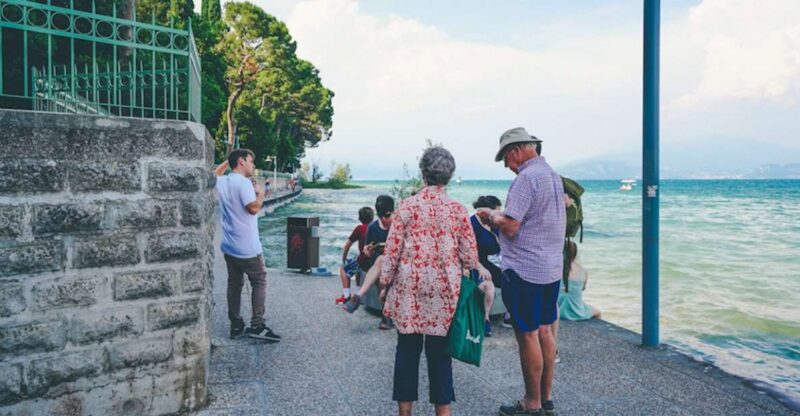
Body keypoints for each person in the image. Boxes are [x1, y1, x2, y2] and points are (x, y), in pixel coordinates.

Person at [380, 146, 492, 416]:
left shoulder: (406, 207)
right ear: (449, 176)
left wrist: (384, 283)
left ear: (423, 173)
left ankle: (404, 412)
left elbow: (392, 251)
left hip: (410, 290)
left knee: (406, 351)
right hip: (444, 293)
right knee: (440, 355)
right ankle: (442, 412)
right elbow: (469, 257)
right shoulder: (457, 210)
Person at [476, 127, 565, 416]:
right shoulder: (551, 174)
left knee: (527, 335)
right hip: (551, 268)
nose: (506, 165)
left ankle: (532, 401)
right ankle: (547, 397)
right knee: (545, 331)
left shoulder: (526, 179)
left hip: (525, 269)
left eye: (505, 158)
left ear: (516, 151)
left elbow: (512, 226)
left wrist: (491, 216)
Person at [214, 150, 281, 342]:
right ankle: (257, 325)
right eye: (251, 161)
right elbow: (252, 209)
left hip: (229, 245)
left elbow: (214, 175)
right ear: (241, 162)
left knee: (234, 284)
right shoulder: (243, 183)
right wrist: (260, 195)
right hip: (247, 247)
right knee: (259, 281)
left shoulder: (225, 181)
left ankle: (236, 325)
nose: (253, 165)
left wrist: (227, 160)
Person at [343, 195, 395, 330]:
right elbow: (370, 253)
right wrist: (368, 252)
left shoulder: (399, 225)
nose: (384, 219)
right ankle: (385, 318)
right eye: (381, 216)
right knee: (380, 263)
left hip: (398, 264)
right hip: (381, 266)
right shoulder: (372, 228)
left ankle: (359, 295)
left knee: (381, 259)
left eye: (387, 215)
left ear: (393, 211)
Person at [470, 195, 508, 336]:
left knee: (516, 278)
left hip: (497, 263)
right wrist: (480, 266)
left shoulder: (495, 223)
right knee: (488, 286)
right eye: (496, 211)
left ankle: (510, 316)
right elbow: (467, 250)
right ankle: (485, 319)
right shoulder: (472, 224)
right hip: (477, 263)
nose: (498, 214)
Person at [335, 206, 375, 304]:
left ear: (360, 218)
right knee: (356, 263)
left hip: (363, 262)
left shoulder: (360, 228)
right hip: (374, 262)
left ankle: (346, 296)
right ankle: (358, 294)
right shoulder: (375, 227)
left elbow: (347, 245)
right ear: (372, 217)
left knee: (344, 269)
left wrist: (344, 258)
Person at [557, 241, 601, 321]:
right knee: (598, 312)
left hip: (557, 310)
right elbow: (582, 289)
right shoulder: (583, 271)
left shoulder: (556, 268)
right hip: (576, 311)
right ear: (575, 254)